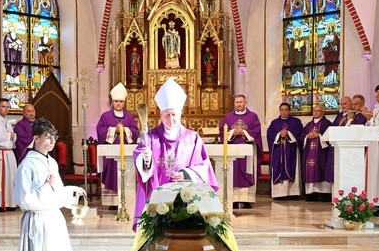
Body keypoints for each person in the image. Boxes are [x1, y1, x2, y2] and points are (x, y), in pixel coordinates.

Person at [9, 119, 86, 251]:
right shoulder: (27, 164)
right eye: (47, 137)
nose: (52, 141)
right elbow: (23, 199)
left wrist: (70, 191)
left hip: (53, 219)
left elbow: (56, 190)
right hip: (38, 220)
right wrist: (46, 187)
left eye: (54, 137)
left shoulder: (51, 162)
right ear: (36, 139)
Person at [133, 78, 217, 227]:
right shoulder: (151, 137)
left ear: (180, 114)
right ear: (160, 116)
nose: (171, 119)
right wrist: (146, 159)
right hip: (158, 194)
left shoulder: (192, 138)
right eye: (167, 115)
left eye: (174, 115)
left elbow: (203, 165)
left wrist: (186, 173)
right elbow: (142, 163)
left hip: (185, 195)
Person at [96, 83, 139, 209]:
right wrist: (114, 130)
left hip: (125, 152)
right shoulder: (105, 116)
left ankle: (127, 200)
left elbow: (135, 131)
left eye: (121, 101)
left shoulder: (129, 117)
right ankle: (113, 203)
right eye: (116, 101)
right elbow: (99, 130)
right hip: (111, 153)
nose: (118, 103)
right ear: (112, 102)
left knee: (127, 173)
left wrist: (124, 130)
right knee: (111, 174)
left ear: (124, 102)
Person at [220, 94, 263, 209]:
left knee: (246, 173)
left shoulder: (253, 116)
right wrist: (232, 132)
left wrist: (243, 132)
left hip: (247, 152)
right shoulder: (228, 117)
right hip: (231, 151)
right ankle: (232, 199)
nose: (238, 104)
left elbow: (257, 131)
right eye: (237, 102)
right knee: (233, 173)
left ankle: (246, 200)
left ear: (245, 102)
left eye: (241, 102)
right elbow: (221, 130)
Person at [266, 102, 304, 199]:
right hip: (278, 152)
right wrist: (279, 134)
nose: (284, 112)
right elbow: (269, 134)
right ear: (279, 111)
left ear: (289, 111)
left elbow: (300, 133)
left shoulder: (296, 122)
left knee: (293, 168)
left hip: (292, 152)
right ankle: (279, 194)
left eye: (286, 110)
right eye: (282, 110)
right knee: (278, 168)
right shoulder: (274, 123)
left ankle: (293, 193)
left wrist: (289, 134)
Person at [0, 98, 18, 211]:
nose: (6, 109)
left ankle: (10, 202)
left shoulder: (6, 120)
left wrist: (12, 136)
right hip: (0, 153)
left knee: (11, 178)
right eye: (3, 106)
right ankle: (0, 203)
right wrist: (8, 135)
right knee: (1, 179)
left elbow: (13, 135)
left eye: (7, 106)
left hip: (9, 153)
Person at [301, 103, 331, 201]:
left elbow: (330, 136)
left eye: (318, 111)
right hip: (309, 152)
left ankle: (324, 194)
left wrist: (319, 136)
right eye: (314, 110)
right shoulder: (309, 125)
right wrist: (307, 136)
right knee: (310, 169)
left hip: (322, 153)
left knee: (321, 168)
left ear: (322, 112)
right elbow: (302, 136)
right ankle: (311, 194)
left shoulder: (327, 124)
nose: (316, 112)